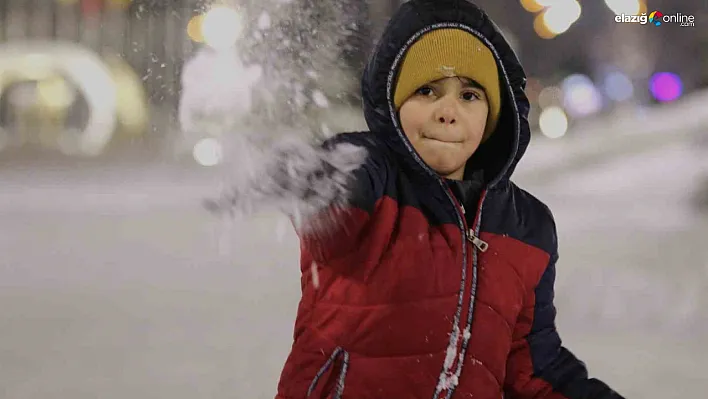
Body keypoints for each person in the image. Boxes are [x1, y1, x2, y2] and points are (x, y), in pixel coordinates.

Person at [207, 0, 624, 398]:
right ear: (396, 102)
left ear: (493, 114)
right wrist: (316, 180)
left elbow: (535, 370)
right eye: (427, 90)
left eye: (469, 95)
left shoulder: (526, 227)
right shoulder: (376, 177)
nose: (447, 110)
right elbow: (342, 189)